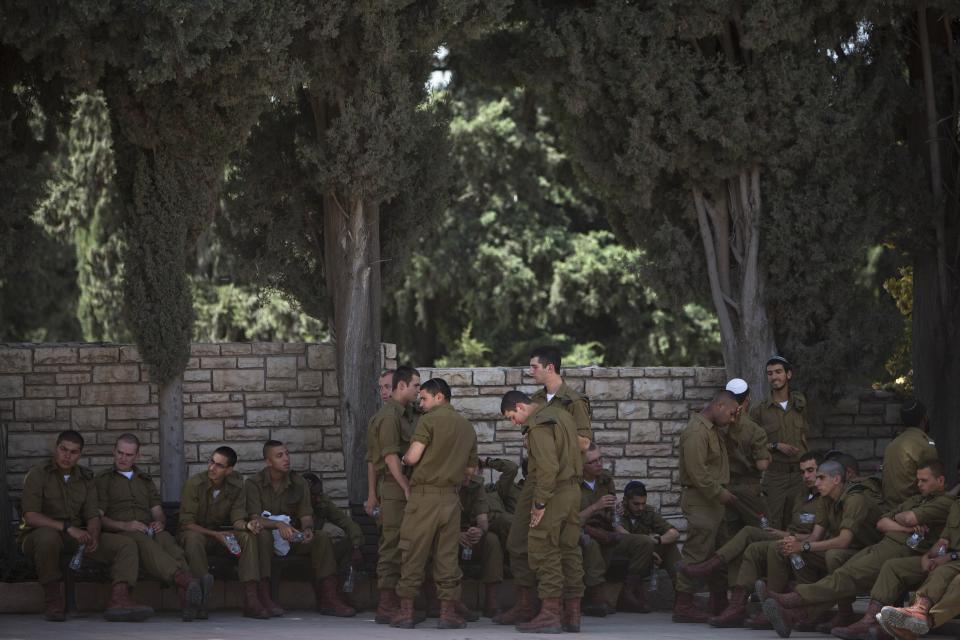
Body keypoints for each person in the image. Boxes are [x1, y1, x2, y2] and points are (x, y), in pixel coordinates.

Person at [763, 460, 955, 638]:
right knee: (843, 576)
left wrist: (904, 519)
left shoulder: (944, 502)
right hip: (884, 545)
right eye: (918, 480)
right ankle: (795, 615)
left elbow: (909, 518)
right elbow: (883, 522)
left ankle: (794, 600)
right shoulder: (916, 500)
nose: (919, 484)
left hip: (903, 550)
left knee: (845, 577)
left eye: (924, 480)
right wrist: (905, 525)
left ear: (940, 480)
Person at [19, 430, 152, 622]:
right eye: (63, 449)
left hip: (76, 538)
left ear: (80, 454)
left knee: (125, 544)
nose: (67, 455)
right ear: (56, 448)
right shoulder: (38, 474)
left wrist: (94, 535)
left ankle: (119, 600)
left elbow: (92, 515)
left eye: (73, 452)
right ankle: (54, 600)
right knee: (47, 537)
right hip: (37, 537)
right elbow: (30, 516)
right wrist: (67, 528)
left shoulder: (85, 478)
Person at [682, 451, 823, 628]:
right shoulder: (801, 494)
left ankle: (714, 569)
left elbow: (818, 537)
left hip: (801, 543)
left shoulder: (827, 498)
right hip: (787, 536)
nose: (806, 476)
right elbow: (792, 526)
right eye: (802, 472)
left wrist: (785, 536)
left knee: (758, 541)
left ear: (822, 470)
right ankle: (736, 606)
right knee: (750, 538)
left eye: (810, 470)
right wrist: (783, 533)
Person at [390, 378, 479, 629]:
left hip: (424, 497)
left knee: (413, 552)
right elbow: (470, 471)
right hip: (451, 499)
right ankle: (447, 613)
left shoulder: (428, 421)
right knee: (448, 557)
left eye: (425, 398)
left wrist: (406, 459)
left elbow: (414, 455)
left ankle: (406, 612)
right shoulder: (466, 426)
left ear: (439, 397)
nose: (421, 403)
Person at [499, 390, 584, 633]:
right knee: (569, 550)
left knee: (544, 547)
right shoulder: (561, 415)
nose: (513, 422)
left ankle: (550, 613)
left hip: (552, 491)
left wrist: (539, 504)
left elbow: (547, 467)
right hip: (572, 490)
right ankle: (572, 614)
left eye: (511, 416)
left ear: (520, 406)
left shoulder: (537, 425)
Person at [96, 433, 204, 621]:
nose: (123, 458)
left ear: (137, 456)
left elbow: (157, 510)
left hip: (146, 529)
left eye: (129, 455)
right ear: (113, 451)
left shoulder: (144, 480)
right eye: (120, 453)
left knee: (166, 540)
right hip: (120, 532)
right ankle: (185, 581)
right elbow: (98, 518)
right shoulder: (103, 480)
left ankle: (187, 596)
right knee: (142, 541)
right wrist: (125, 525)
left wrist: (160, 522)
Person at [245, 440, 355, 618]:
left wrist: (307, 530)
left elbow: (305, 515)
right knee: (262, 536)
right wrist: (278, 524)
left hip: (290, 538)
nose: (286, 459)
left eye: (287, 454)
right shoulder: (253, 483)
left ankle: (329, 598)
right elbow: (254, 519)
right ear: (268, 461)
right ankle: (264, 598)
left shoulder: (298, 483)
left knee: (321, 538)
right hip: (266, 540)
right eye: (279, 456)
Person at [672, 389, 739, 623]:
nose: (732, 419)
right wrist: (720, 493)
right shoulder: (696, 431)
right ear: (719, 406)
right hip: (703, 500)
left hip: (714, 501)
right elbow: (697, 472)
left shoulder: (713, 430)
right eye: (731, 413)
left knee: (720, 552)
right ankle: (684, 604)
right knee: (697, 551)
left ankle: (719, 601)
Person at [178, 445, 266, 619]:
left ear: (229, 470)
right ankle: (201, 597)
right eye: (211, 462)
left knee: (247, 538)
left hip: (219, 536)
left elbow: (237, 518)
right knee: (194, 539)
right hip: (194, 533)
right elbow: (186, 524)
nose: (212, 468)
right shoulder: (195, 484)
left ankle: (251, 598)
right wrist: (216, 535)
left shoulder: (236, 485)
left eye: (219, 465)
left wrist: (247, 526)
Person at [364, 365, 421, 623]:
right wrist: (402, 488)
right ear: (403, 386)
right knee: (391, 543)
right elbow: (387, 458)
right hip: (394, 486)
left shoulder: (409, 414)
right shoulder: (388, 417)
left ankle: (404, 601)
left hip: (404, 485)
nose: (419, 391)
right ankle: (386, 604)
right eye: (416, 386)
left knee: (407, 542)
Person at [579, 443, 654, 616]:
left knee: (644, 543)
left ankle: (626, 593)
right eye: (592, 462)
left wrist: (616, 515)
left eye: (600, 459)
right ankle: (594, 597)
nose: (599, 464)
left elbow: (613, 519)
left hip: (608, 532)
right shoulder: (573, 484)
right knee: (592, 545)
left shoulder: (605, 479)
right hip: (584, 532)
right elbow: (570, 520)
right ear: (581, 464)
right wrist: (595, 507)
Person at [877, 496, 960, 640]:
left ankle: (921, 618)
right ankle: (914, 615)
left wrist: (950, 557)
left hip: (953, 560)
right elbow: (943, 541)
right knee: (894, 565)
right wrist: (928, 556)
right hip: (951, 559)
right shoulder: (957, 505)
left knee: (951, 577)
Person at [751, 356, 809, 531]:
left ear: (788, 374)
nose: (774, 377)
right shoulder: (760, 410)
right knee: (772, 523)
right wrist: (776, 446)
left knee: (799, 522)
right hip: (775, 476)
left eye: (778, 372)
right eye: (770, 373)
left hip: (800, 476)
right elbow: (751, 445)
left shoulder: (800, 405)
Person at [619, 480, 681, 612]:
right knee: (644, 542)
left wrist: (657, 541)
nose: (640, 508)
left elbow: (674, 533)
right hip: (621, 555)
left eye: (643, 503)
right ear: (626, 500)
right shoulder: (618, 512)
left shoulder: (648, 512)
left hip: (644, 556)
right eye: (636, 504)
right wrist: (649, 549)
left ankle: (682, 596)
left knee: (670, 546)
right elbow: (623, 536)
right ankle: (628, 593)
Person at [722, 378, 770, 534]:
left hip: (725, 489)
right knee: (762, 531)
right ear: (748, 398)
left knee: (730, 533)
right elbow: (762, 464)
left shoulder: (718, 427)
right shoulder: (755, 430)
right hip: (749, 490)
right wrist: (768, 455)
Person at [457, 470, 503, 619]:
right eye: (465, 471)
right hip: (448, 533)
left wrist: (480, 531)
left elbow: (483, 518)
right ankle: (452, 603)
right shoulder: (444, 482)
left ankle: (492, 602)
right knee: (443, 543)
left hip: (469, 533)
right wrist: (455, 534)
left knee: (492, 541)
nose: (468, 476)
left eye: (472, 472)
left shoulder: (477, 485)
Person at [528, 345, 593, 449]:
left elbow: (585, 444)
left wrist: (549, 436)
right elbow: (528, 439)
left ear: (550, 368)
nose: (530, 372)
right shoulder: (536, 399)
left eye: (535, 367)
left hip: (563, 465)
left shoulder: (575, 401)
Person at [302, 473, 364, 575]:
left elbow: (346, 522)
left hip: (320, 550)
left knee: (350, 543)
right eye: (313, 495)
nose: (318, 498)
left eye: (320, 494)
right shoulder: (292, 503)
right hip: (300, 548)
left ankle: (337, 580)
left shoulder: (322, 502)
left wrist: (356, 546)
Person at [881, 399, 938, 509]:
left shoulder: (891, 445)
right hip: (913, 513)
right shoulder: (926, 444)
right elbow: (933, 488)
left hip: (889, 512)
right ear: (924, 418)